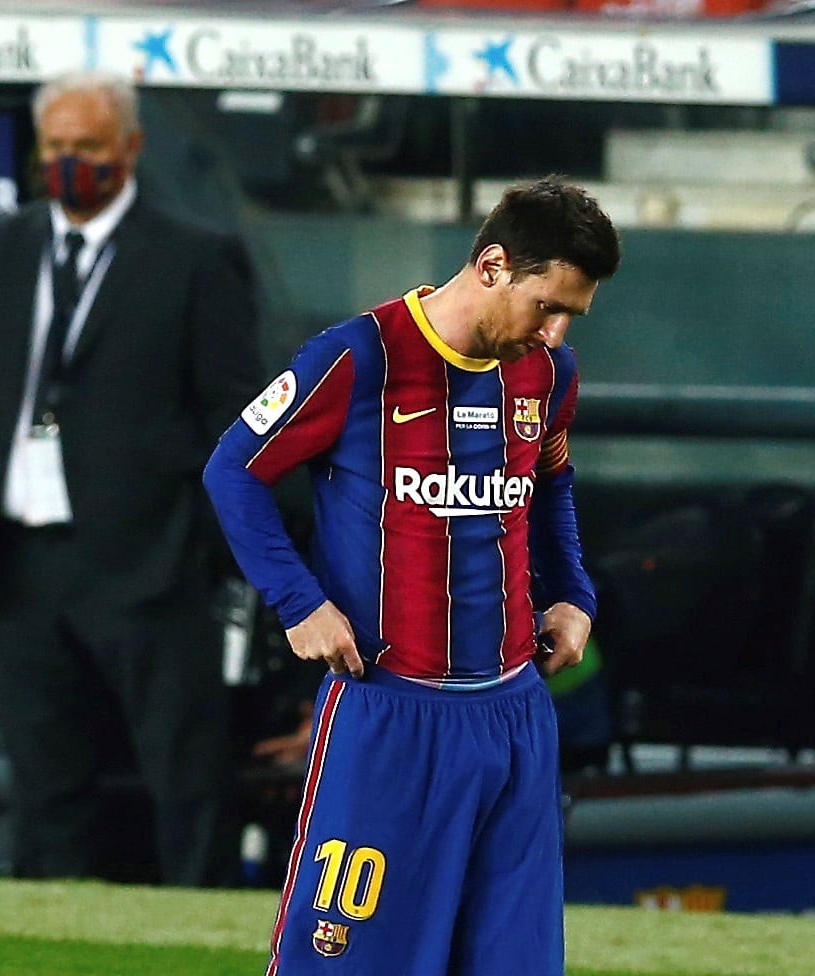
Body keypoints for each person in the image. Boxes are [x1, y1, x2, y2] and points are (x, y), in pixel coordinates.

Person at [203, 176, 620, 974]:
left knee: (511, 962)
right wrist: (300, 603)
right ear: (493, 264)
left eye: (573, 315)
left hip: (512, 716)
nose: (558, 332)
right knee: (348, 961)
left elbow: (552, 483)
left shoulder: (546, 377)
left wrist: (572, 593)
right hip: (388, 709)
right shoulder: (360, 355)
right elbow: (235, 470)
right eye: (547, 306)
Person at [0, 70, 262, 885]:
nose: (70, 162)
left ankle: (198, 936)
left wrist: (213, 557)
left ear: (131, 148)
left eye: (89, 146)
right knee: (44, 786)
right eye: (57, 147)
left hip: (147, 565)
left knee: (185, 783)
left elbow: (234, 417)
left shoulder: (195, 257)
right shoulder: (8, 249)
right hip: (22, 566)